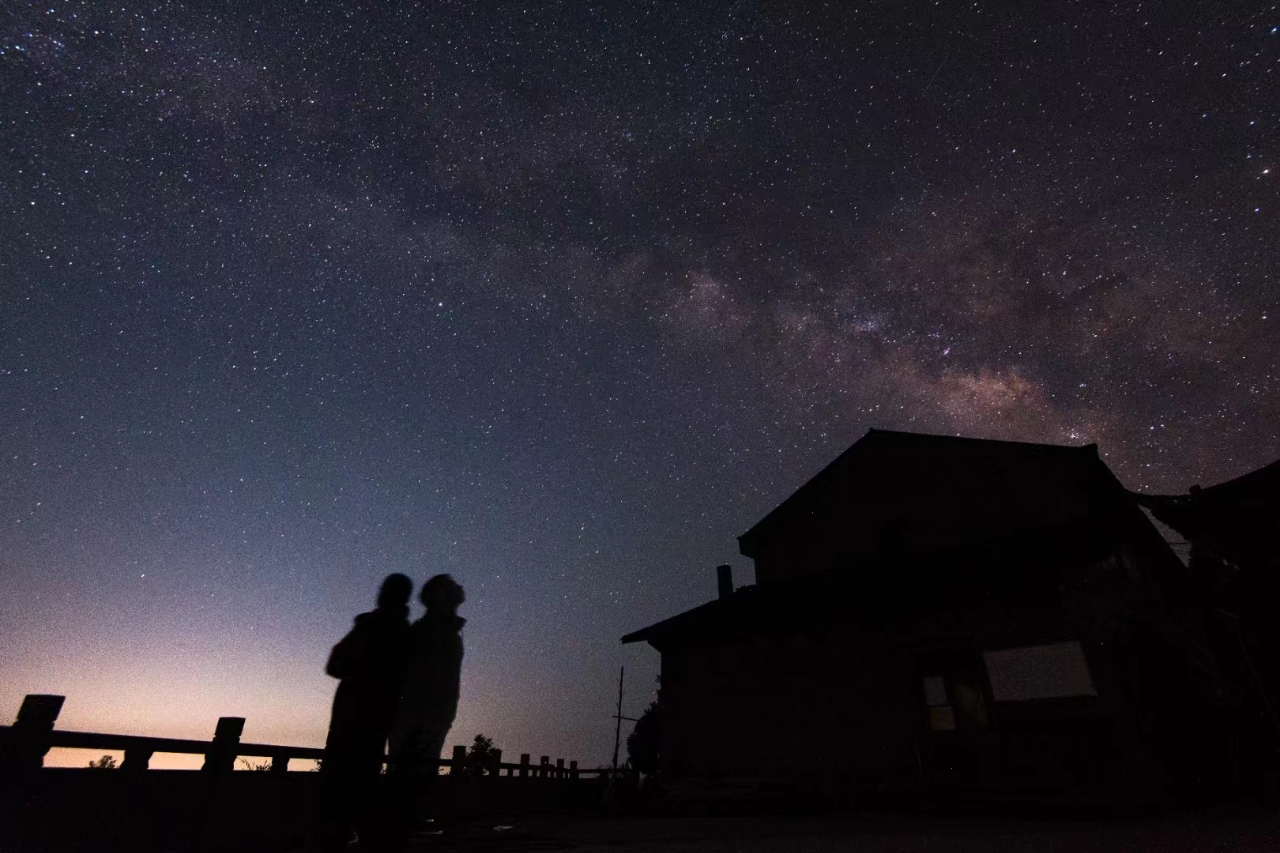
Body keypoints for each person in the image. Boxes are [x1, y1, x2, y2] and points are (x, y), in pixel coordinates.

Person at [318, 573, 413, 853]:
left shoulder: (373, 624)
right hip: (379, 722)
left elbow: (335, 663)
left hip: (352, 720)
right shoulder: (405, 631)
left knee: (339, 789)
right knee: (365, 785)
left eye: (383, 588)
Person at [388, 574, 466, 840]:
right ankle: (401, 829)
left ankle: (404, 826)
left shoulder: (443, 630)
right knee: (411, 771)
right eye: (453, 584)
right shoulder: (428, 631)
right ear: (440, 595)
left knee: (420, 770)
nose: (461, 587)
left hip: (433, 715)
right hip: (419, 716)